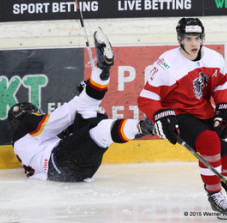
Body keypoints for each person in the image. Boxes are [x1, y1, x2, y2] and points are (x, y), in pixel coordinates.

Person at [137, 18, 227, 216]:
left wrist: (225, 107)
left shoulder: (214, 58)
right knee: (209, 140)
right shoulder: (167, 64)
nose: (194, 43)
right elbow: (147, 97)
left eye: (197, 38)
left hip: (203, 110)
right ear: (180, 39)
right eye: (188, 38)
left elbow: (222, 85)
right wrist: (159, 115)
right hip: (178, 113)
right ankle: (214, 194)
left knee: (226, 146)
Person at [8, 28, 153, 182]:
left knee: (89, 116)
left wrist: (84, 96)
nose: (37, 115)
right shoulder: (27, 127)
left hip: (71, 168)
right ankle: (140, 126)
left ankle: (102, 70)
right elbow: (61, 118)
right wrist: (80, 97)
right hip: (62, 161)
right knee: (95, 124)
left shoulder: (26, 144)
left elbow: (74, 128)